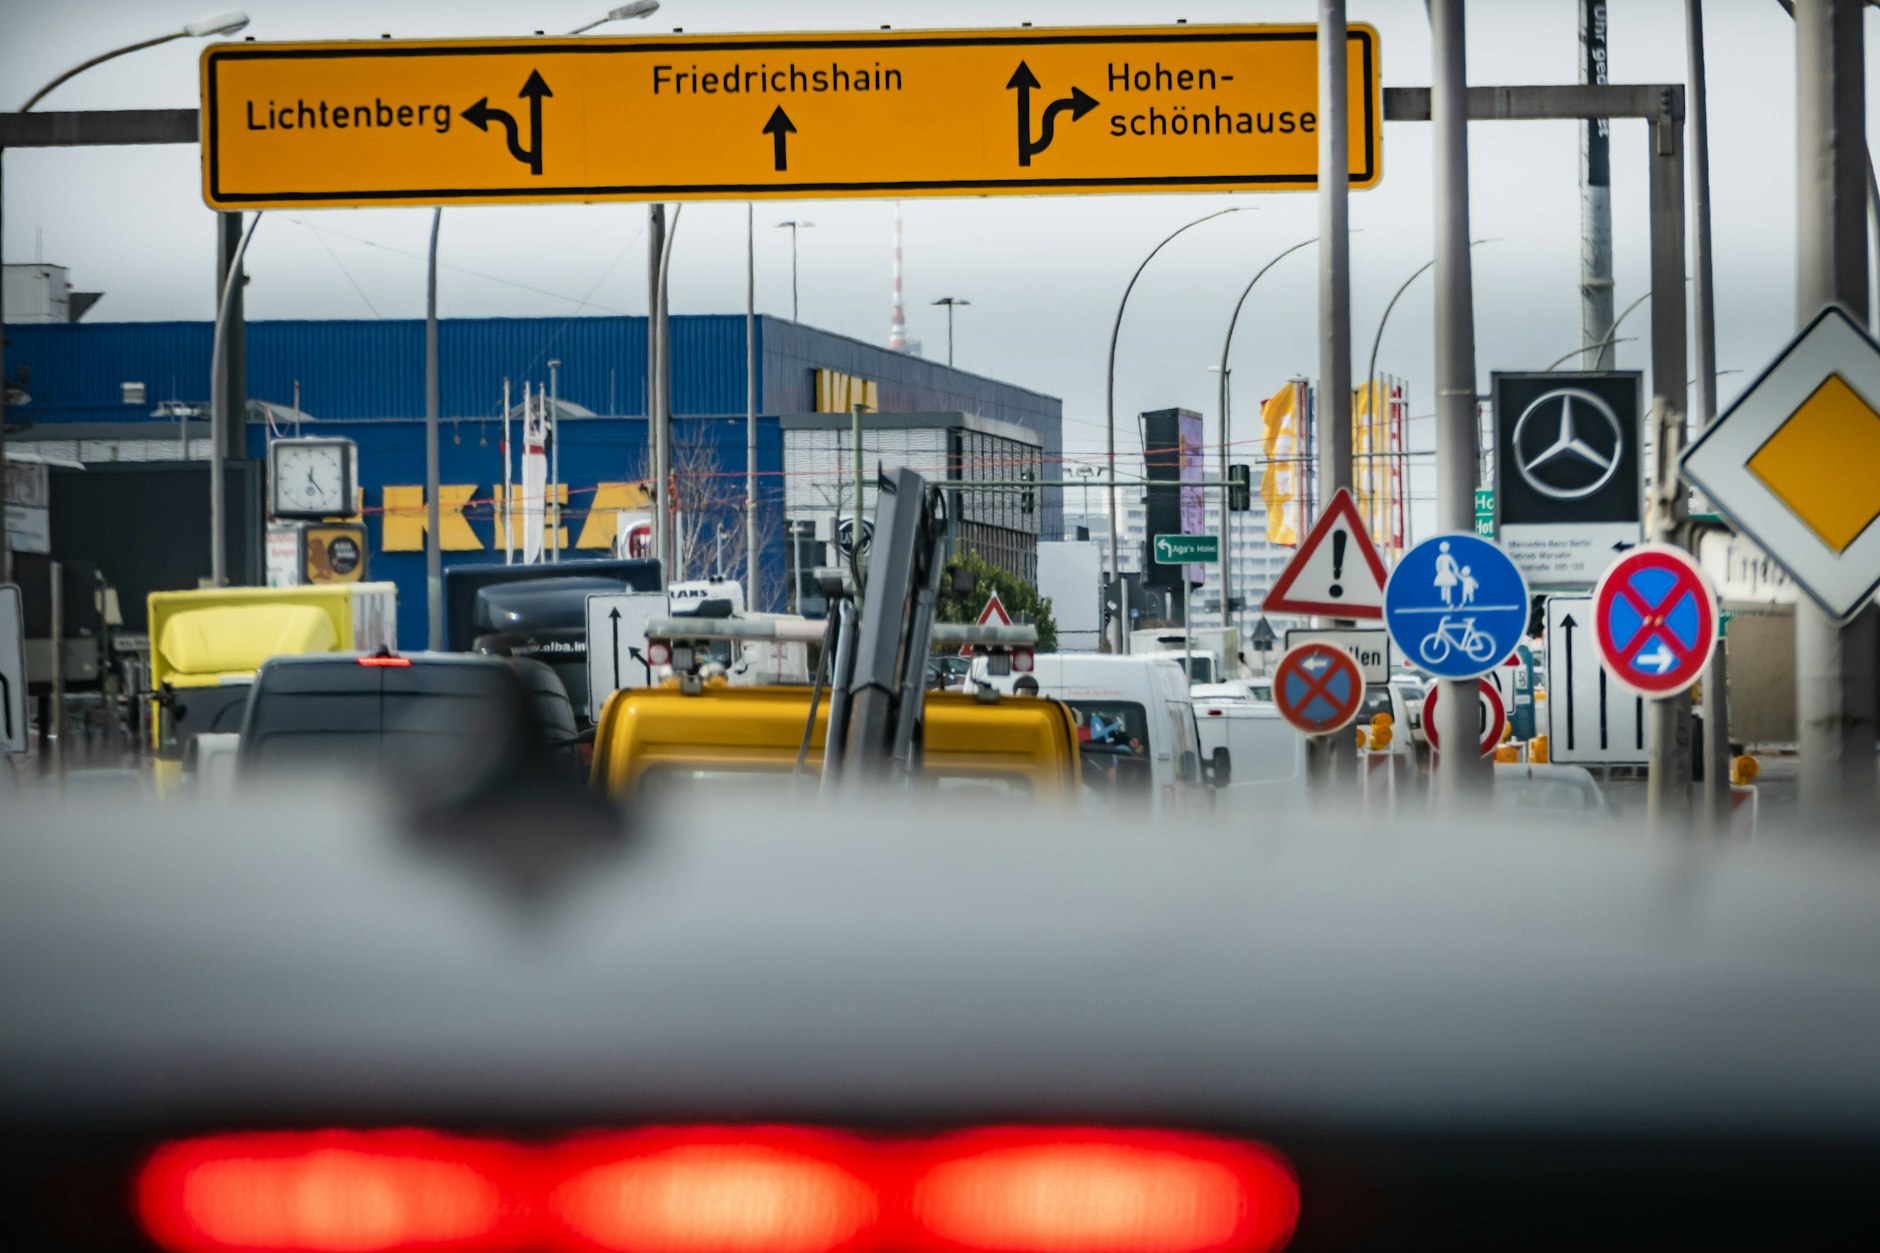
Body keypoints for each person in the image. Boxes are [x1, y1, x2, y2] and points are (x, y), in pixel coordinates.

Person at [1433, 540, 1461, 606]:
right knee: (1444, 586)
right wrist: (1439, 572)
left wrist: (1455, 569)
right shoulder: (1441, 557)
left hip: (1446, 573)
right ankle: (1444, 600)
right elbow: (1438, 565)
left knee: (1447, 586)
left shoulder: (1447, 557)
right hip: (1443, 573)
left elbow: (1453, 564)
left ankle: (1447, 600)